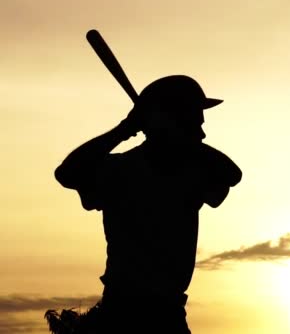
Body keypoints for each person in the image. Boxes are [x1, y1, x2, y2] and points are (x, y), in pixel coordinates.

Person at [54, 75, 242, 333]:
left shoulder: (191, 174)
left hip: (169, 314)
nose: (201, 133)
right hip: (121, 313)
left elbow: (232, 175)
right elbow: (67, 173)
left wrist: (176, 135)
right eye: (194, 124)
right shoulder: (120, 170)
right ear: (171, 121)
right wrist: (125, 128)